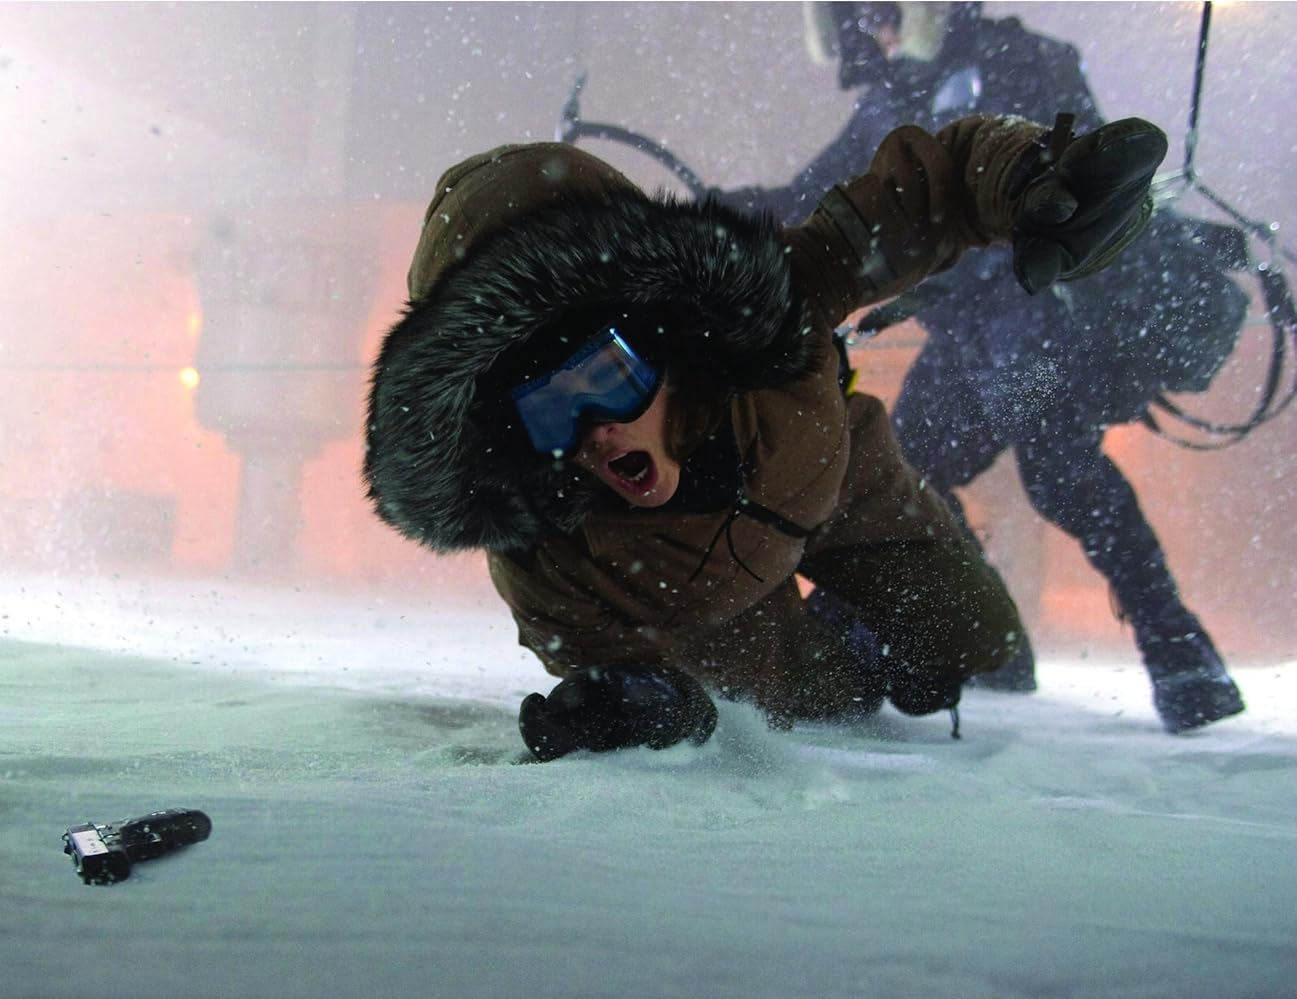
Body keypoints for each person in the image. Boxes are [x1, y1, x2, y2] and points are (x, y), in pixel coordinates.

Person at [363, 110, 1167, 761]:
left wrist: (1028, 179)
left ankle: (887, 620)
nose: (593, 433)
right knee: (817, 703)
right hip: (718, 613)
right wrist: (640, 705)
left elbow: (929, 190)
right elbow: (607, 661)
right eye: (548, 413)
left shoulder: (773, 303)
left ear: (662, 334)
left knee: (975, 638)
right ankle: (848, 651)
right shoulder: (549, 554)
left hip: (841, 486)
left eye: (606, 376)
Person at [721, 1, 1247, 734]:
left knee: (1060, 470)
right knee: (907, 472)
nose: (873, 30)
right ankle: (991, 645)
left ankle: (1181, 654)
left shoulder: (1016, 59)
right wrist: (710, 215)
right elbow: (813, 194)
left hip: (1043, 340)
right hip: (967, 342)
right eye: (854, 18)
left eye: (881, 11)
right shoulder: (890, 101)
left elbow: (1069, 186)